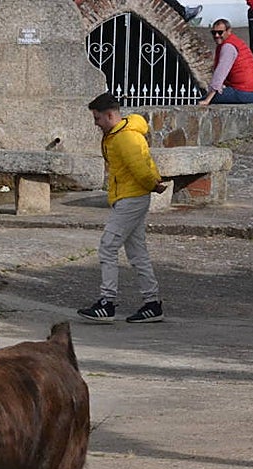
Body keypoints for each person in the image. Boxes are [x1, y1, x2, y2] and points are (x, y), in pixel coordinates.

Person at [76, 93, 167, 325]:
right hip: (130, 196)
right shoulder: (119, 134)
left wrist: (153, 185)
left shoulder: (124, 138)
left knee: (108, 247)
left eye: (97, 118)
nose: (95, 123)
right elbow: (145, 164)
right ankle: (152, 303)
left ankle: (107, 302)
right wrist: (153, 183)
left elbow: (141, 167)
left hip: (131, 198)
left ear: (109, 115)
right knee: (137, 253)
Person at [198, 19, 253, 106]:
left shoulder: (228, 47)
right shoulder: (234, 42)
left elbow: (220, 73)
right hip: (252, 91)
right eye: (214, 33)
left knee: (200, 100)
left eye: (220, 32)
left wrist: (207, 100)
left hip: (245, 92)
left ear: (229, 31)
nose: (217, 35)